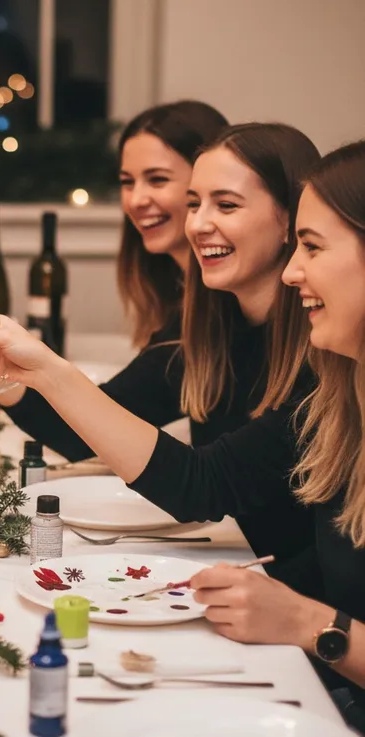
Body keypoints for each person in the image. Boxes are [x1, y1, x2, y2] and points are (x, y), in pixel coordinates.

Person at [0, 123, 320, 564]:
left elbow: (202, 485)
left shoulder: (322, 355)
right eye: (194, 203)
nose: (199, 224)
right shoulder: (207, 328)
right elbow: (89, 431)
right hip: (230, 567)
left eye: (225, 205)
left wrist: (51, 370)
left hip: (295, 603)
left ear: (292, 220)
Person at [190, 140, 365, 729]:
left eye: (312, 247)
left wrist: (306, 624)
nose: (293, 272)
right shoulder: (343, 399)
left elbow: (206, 480)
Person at [117, 101, 228, 347]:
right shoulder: (169, 288)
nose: (136, 200)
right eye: (127, 182)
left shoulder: (229, 303)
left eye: (157, 179)